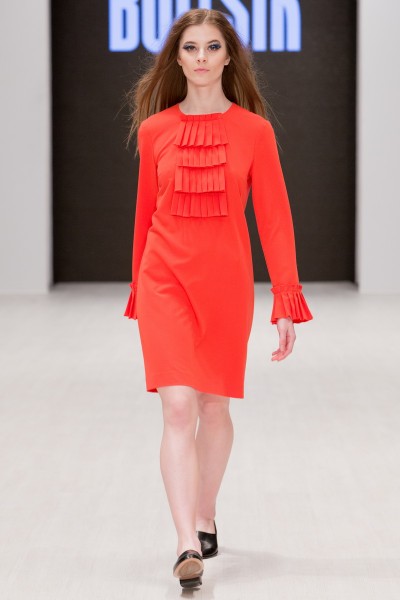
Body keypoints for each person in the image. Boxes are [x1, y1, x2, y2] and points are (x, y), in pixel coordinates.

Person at [123, 8, 313, 589]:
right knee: (178, 407)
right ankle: (187, 542)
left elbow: (275, 218)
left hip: (226, 283)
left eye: (211, 47)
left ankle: (205, 513)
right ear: (176, 59)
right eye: (190, 48)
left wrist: (286, 299)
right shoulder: (155, 130)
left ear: (229, 57)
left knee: (214, 408)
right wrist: (138, 289)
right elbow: (145, 216)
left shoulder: (254, 132)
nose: (201, 58)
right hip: (164, 279)